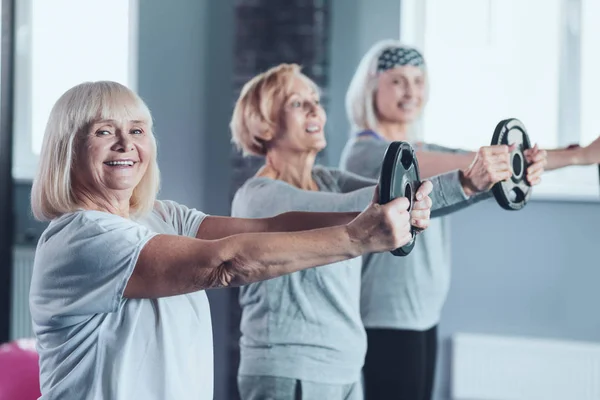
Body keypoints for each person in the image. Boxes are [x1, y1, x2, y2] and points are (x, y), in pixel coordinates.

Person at [28, 80, 420, 400]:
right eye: (103, 131)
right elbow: (224, 262)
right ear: (69, 148)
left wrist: (373, 216)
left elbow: (268, 228)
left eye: (136, 130)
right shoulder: (81, 237)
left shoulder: (161, 216)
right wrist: (357, 238)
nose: (125, 143)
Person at [228, 63, 532, 400]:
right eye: (298, 103)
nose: (316, 109)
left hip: (345, 369)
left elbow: (405, 197)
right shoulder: (258, 196)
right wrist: (465, 180)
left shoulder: (328, 180)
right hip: (290, 372)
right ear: (265, 123)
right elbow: (372, 204)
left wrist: (491, 183)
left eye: (316, 100)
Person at [341, 39, 596, 399]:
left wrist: (571, 157)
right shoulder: (369, 154)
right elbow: (475, 166)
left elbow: (481, 161)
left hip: (423, 309)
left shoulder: (421, 146)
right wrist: (579, 157)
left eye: (418, 80)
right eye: (398, 80)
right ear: (372, 87)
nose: (411, 91)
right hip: (387, 312)